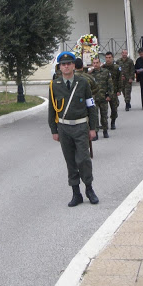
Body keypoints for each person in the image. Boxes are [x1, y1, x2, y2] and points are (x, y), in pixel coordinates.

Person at [48, 51, 99, 207]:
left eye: (69, 63)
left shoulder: (82, 82)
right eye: (63, 64)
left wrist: (93, 128)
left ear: (73, 65)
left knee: (83, 159)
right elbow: (51, 109)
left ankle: (89, 189)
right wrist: (54, 130)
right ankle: (76, 193)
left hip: (81, 126)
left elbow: (91, 105)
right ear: (60, 67)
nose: (66, 66)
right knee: (70, 161)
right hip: (64, 128)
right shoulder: (54, 85)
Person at [90, 57, 113, 139]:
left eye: (97, 63)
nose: (95, 64)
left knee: (104, 116)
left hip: (103, 98)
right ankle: (95, 133)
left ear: (100, 63)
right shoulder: (90, 74)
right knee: (94, 116)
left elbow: (110, 84)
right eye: (94, 63)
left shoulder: (105, 72)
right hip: (94, 98)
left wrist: (110, 95)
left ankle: (105, 130)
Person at [101, 52, 121, 129]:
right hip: (104, 91)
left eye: (109, 57)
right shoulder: (103, 68)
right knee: (103, 109)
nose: (108, 59)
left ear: (112, 58)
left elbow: (120, 80)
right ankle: (104, 123)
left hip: (114, 91)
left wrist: (119, 90)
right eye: (106, 57)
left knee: (114, 108)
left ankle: (113, 121)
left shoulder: (117, 67)